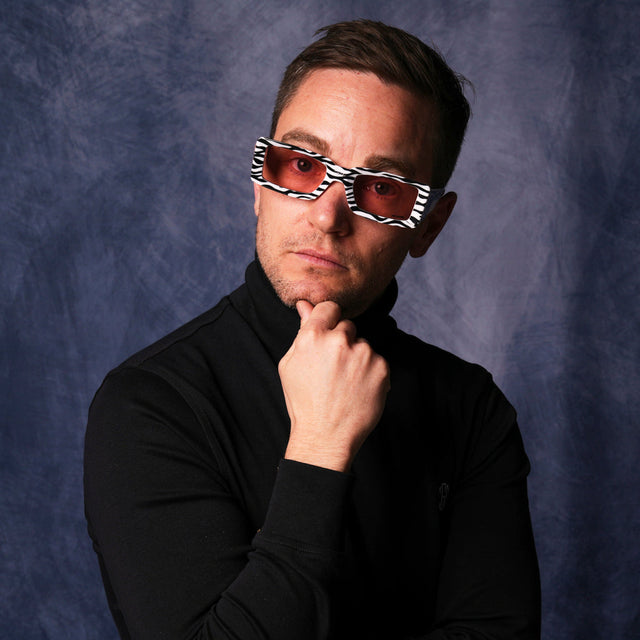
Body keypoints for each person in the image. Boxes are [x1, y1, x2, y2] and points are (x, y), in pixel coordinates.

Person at [84, 20, 541, 640]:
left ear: (428, 226)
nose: (328, 215)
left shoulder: (471, 409)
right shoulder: (152, 404)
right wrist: (320, 452)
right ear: (259, 183)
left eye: (381, 189)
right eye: (302, 165)